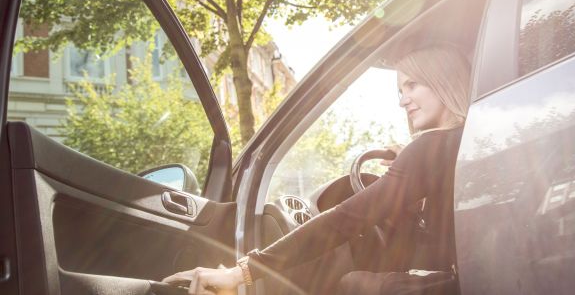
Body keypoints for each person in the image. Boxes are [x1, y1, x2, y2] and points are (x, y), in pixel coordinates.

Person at [163, 44, 471, 295]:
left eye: (412, 85)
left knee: (351, 284)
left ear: (441, 79)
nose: (403, 101)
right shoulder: (461, 142)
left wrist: (241, 271)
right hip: (464, 276)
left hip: (459, 283)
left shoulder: (430, 148)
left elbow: (342, 221)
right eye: (400, 90)